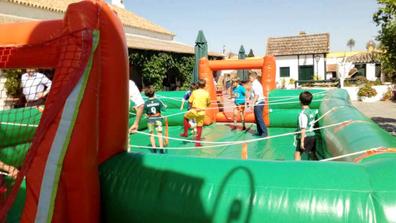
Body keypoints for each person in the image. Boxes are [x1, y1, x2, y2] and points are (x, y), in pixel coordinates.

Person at [180, 79, 210, 147]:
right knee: (199, 127)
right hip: (202, 112)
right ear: (204, 86)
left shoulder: (194, 92)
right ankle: (197, 143)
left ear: (198, 85)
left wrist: (190, 109)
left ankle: (185, 133)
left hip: (194, 110)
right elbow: (208, 104)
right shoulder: (207, 93)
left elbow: (190, 101)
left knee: (185, 117)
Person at [294, 91, 318, 161]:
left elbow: (303, 128)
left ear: (300, 101)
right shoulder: (311, 112)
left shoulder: (303, 114)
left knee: (297, 154)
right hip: (312, 136)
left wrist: (302, 141)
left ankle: (296, 169)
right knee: (312, 155)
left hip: (305, 137)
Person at [144, 86, 167, 154]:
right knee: (159, 134)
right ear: (154, 93)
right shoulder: (158, 101)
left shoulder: (146, 103)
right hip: (158, 119)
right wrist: (165, 106)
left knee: (151, 134)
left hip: (150, 120)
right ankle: (161, 148)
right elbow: (164, 109)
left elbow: (145, 113)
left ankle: (154, 148)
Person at [248, 71, 268, 137]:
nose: (249, 79)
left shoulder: (256, 84)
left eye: (250, 77)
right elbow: (253, 94)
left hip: (259, 103)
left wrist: (252, 104)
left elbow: (257, 95)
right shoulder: (254, 84)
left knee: (259, 118)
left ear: (253, 77)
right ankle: (260, 132)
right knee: (257, 118)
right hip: (258, 102)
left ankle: (264, 133)